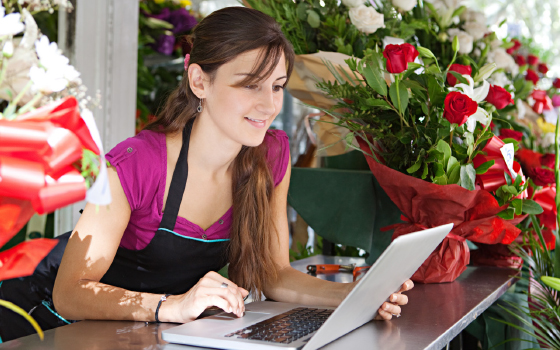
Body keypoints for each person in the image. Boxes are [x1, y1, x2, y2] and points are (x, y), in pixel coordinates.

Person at [0, 7, 412, 340]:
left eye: (277, 86)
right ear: (199, 80)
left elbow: (274, 274)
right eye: (250, 84)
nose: (268, 105)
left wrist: (358, 295)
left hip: (140, 332)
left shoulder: (271, 155)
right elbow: (70, 292)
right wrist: (171, 306)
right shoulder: (137, 163)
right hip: (40, 321)